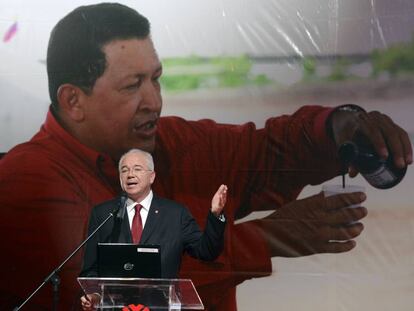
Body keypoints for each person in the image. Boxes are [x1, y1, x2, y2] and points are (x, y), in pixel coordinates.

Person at [0, 3, 411, 311]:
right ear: (73, 101)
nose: (154, 101)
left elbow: (265, 153)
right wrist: (267, 239)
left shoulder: (173, 143)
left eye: (156, 79)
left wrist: (340, 128)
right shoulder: (25, 181)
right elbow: (115, 289)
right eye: (132, 86)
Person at [80, 148, 227, 310]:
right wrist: (94, 295)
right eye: (124, 170)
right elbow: (91, 268)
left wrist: (215, 215)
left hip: (161, 306)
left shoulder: (175, 214)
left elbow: (206, 251)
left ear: (152, 176)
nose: (130, 174)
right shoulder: (104, 214)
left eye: (137, 169)